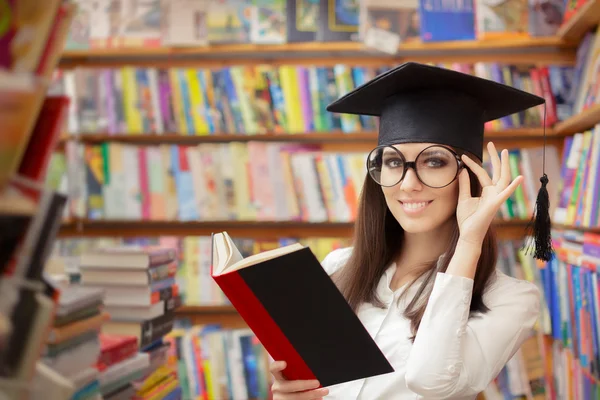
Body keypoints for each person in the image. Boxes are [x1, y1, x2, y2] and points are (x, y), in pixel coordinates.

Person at [269, 62, 548, 399]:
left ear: (470, 174)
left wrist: (470, 241)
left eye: (434, 162)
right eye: (393, 162)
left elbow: (431, 381)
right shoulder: (337, 268)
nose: (408, 184)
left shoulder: (510, 300)